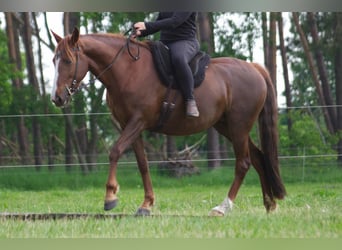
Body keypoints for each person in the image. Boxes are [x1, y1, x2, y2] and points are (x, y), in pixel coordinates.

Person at [134, 12, 200, 117]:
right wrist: (141, 32)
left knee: (178, 59)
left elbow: (174, 21)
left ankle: (190, 100)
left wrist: (147, 25)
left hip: (185, 42)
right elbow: (159, 23)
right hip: (165, 42)